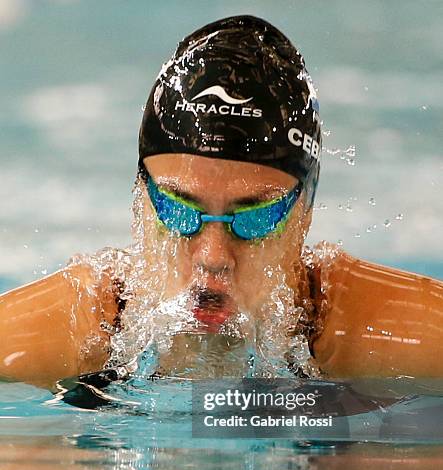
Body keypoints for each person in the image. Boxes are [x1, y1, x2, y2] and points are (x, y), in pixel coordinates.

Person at [0, 15, 442, 389]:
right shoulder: (67, 333)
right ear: (140, 205)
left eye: (254, 217)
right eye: (178, 210)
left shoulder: (376, 334)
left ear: (303, 217)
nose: (213, 257)